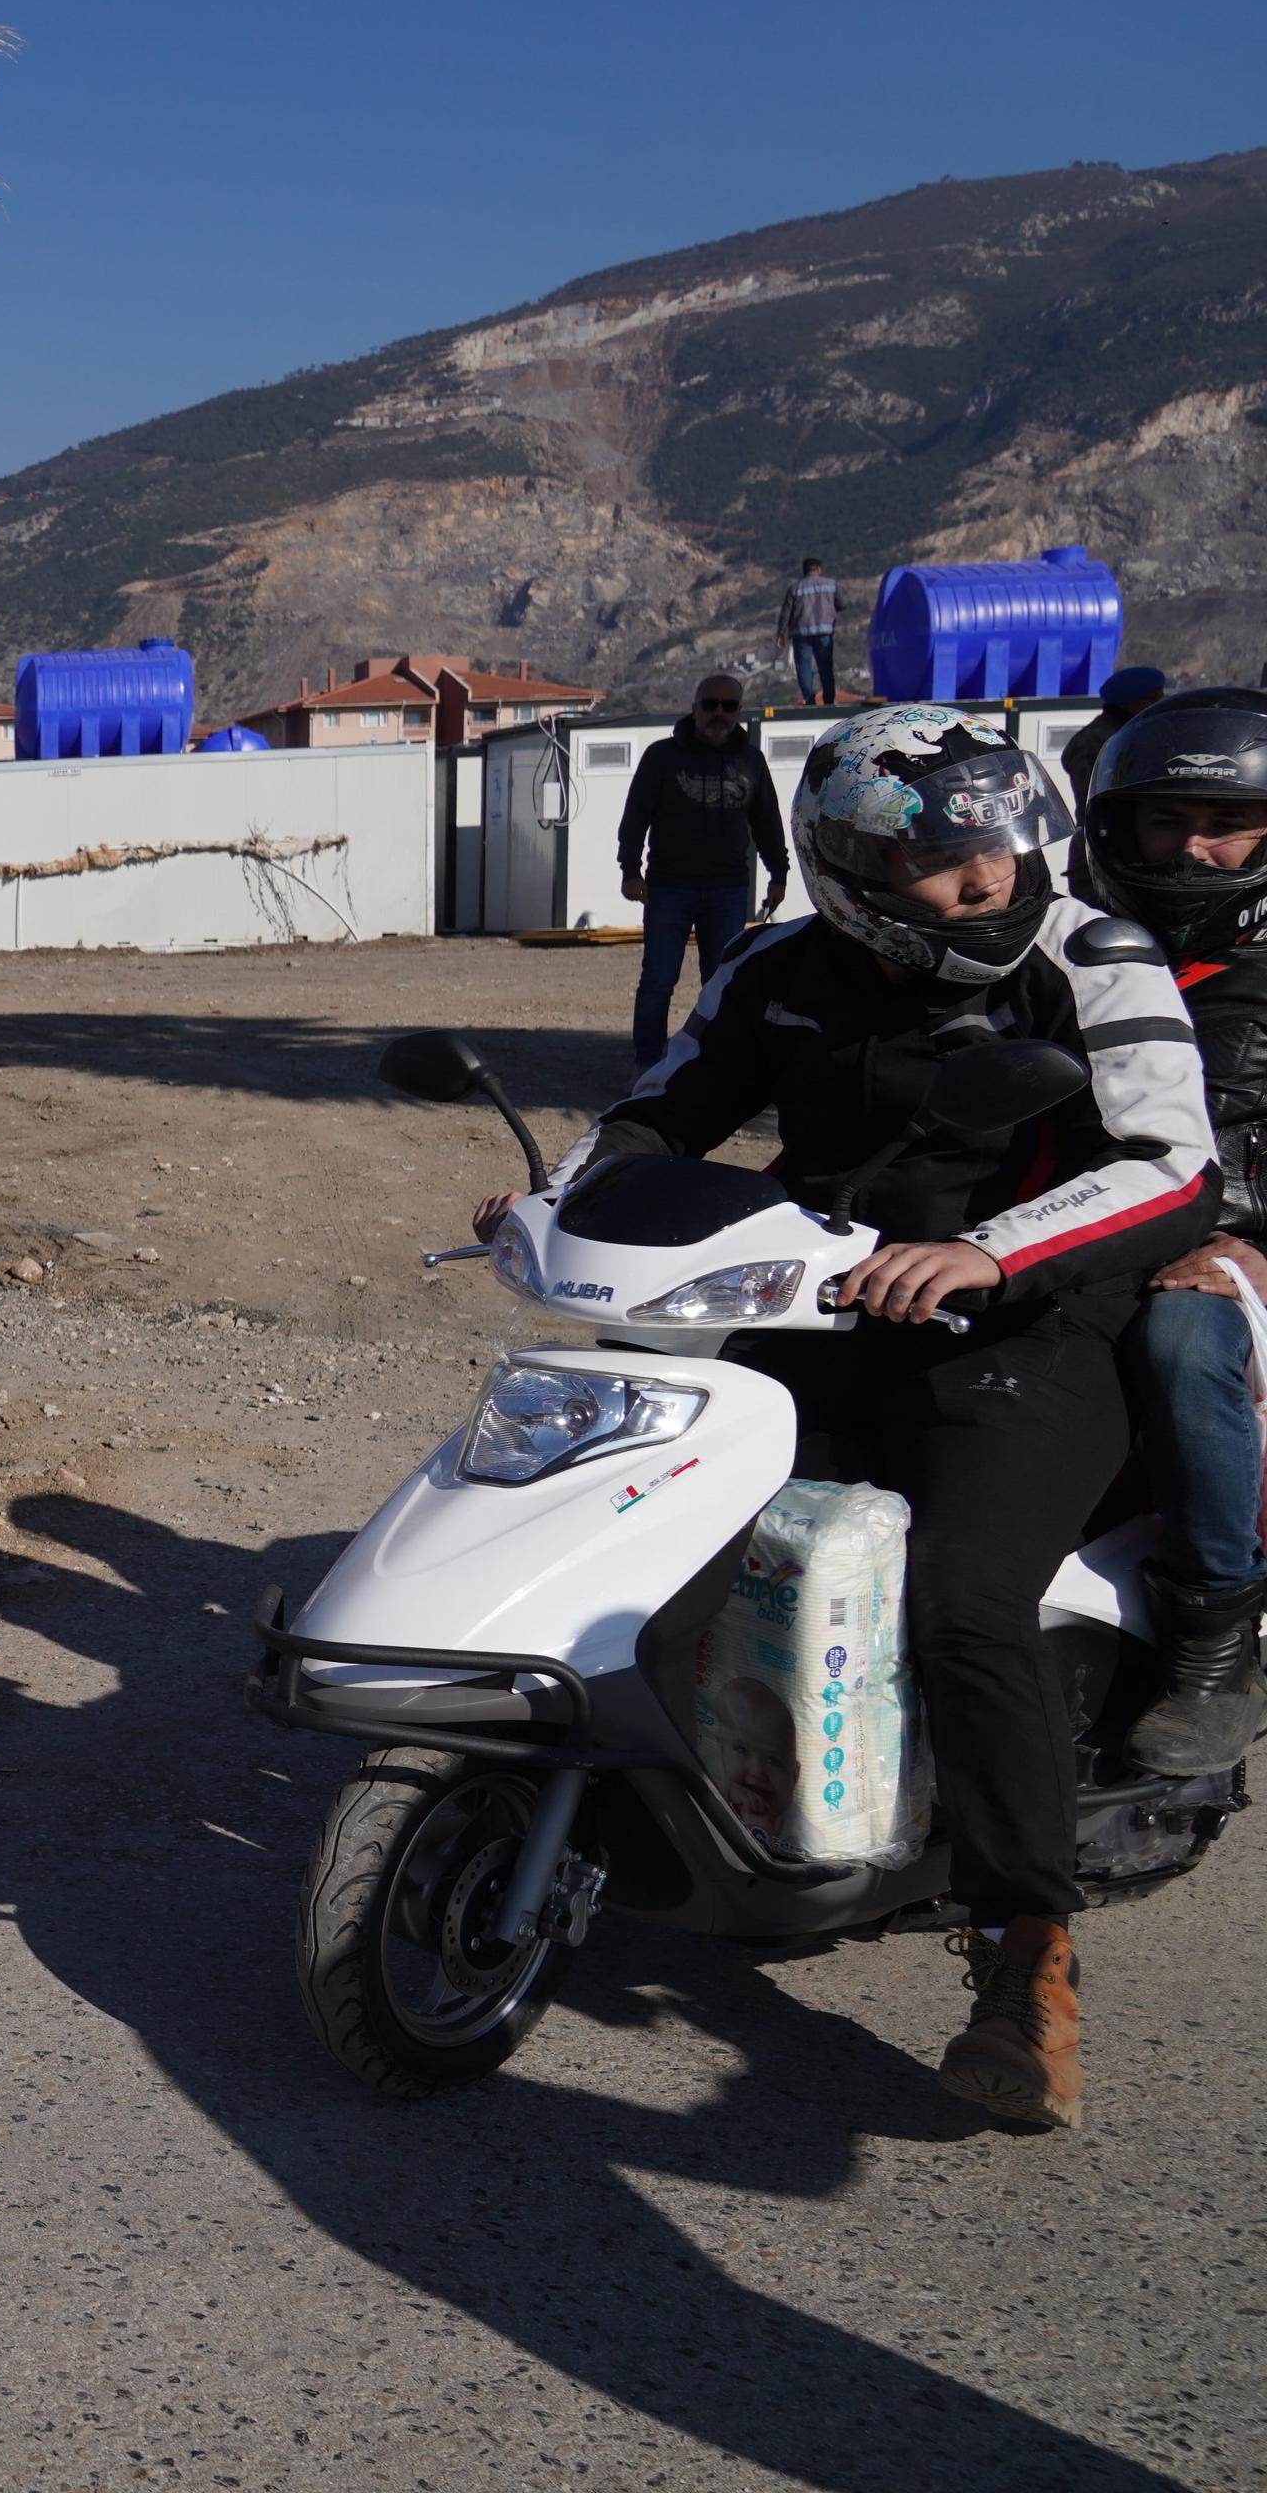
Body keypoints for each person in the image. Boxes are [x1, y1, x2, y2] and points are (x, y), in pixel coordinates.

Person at [488, 702, 1216, 2130]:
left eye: (1003, 843)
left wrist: (992, 1251)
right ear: (850, 870)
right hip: (813, 1307)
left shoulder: (1091, 956)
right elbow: (660, 1113)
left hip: (1025, 1331)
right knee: (649, 1508)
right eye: (949, 862)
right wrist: (562, 1192)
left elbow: (1167, 1164)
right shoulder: (778, 968)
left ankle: (1024, 1952)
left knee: (958, 1595)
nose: (989, 878)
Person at [1071, 686, 1267, 1772]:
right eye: (1162, 820)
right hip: (1100, 1228)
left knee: (1182, 1342)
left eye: (1225, 824)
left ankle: (1213, 1638)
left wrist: (1256, 1253)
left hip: (1232, 1263)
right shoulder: (1078, 953)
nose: (1190, 848)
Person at [616, 676, 789, 1069]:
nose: (718, 714)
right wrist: (630, 870)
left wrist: (777, 873)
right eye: (710, 704)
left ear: (738, 712)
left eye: (729, 706)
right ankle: (647, 1065)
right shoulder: (662, 757)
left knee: (723, 983)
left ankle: (717, 1063)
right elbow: (635, 817)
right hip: (668, 888)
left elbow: (767, 822)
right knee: (658, 982)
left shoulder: (751, 761)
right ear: (694, 707)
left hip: (728, 891)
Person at [1060, 664, 1171, 806]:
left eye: (1161, 697)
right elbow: (1096, 798)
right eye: (1151, 699)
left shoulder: (1142, 732)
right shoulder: (1093, 741)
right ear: (1127, 703)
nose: (1158, 705)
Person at [778, 556, 843, 706]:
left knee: (803, 667)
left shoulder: (795, 588)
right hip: (824, 632)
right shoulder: (831, 585)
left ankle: (809, 699)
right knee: (826, 667)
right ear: (819, 570)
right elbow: (842, 604)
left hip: (801, 633)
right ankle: (829, 699)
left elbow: (785, 614)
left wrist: (781, 634)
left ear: (804, 571)